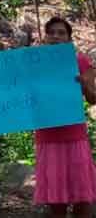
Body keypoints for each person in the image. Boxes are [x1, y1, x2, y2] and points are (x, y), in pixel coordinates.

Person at [34, 17, 96, 218]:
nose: (56, 36)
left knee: (82, 195)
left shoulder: (80, 61)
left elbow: (93, 98)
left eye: (61, 33)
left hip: (74, 136)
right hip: (47, 136)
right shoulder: (33, 64)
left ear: (69, 38)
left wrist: (83, 84)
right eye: (51, 32)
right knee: (55, 197)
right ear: (45, 38)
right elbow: (9, 89)